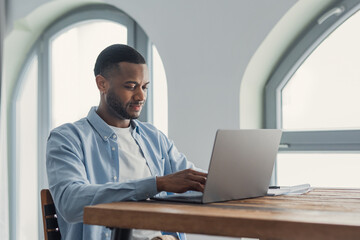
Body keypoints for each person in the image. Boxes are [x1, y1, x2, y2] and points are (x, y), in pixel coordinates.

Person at [46, 44, 207, 240]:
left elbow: (194, 184)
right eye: (131, 87)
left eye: (145, 87)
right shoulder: (68, 138)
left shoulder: (154, 137)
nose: (141, 96)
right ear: (102, 84)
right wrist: (157, 184)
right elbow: (71, 203)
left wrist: (222, 186)